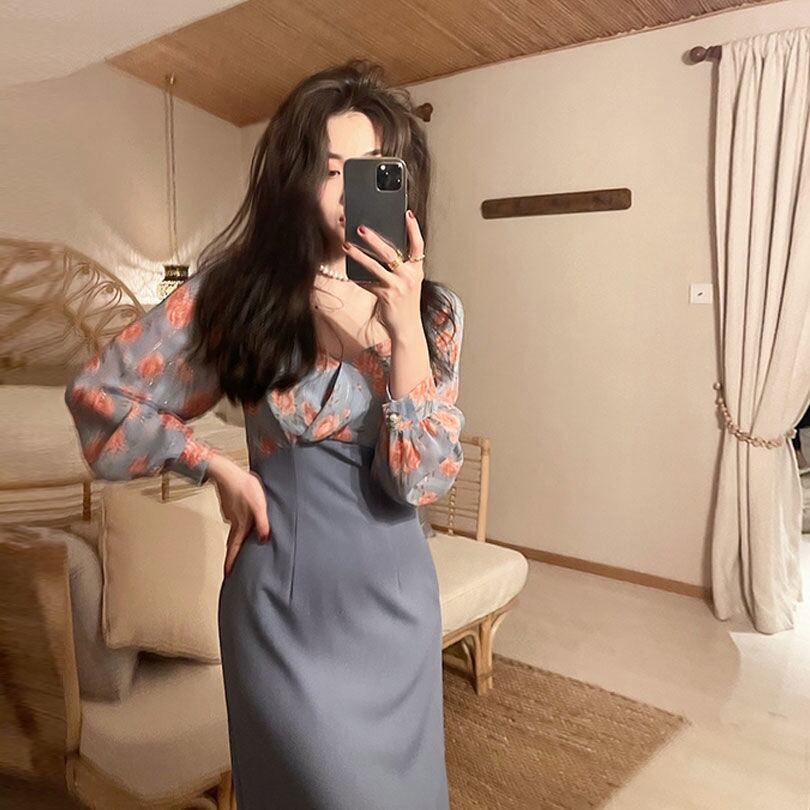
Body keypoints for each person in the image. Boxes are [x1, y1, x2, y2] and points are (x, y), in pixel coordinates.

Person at [64, 59, 464, 809]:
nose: (346, 193)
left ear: (400, 183)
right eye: (330, 169)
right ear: (294, 177)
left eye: (370, 171)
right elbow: (99, 397)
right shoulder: (236, 295)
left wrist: (399, 334)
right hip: (280, 609)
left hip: (396, 607)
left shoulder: (434, 314)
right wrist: (212, 466)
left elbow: (420, 481)